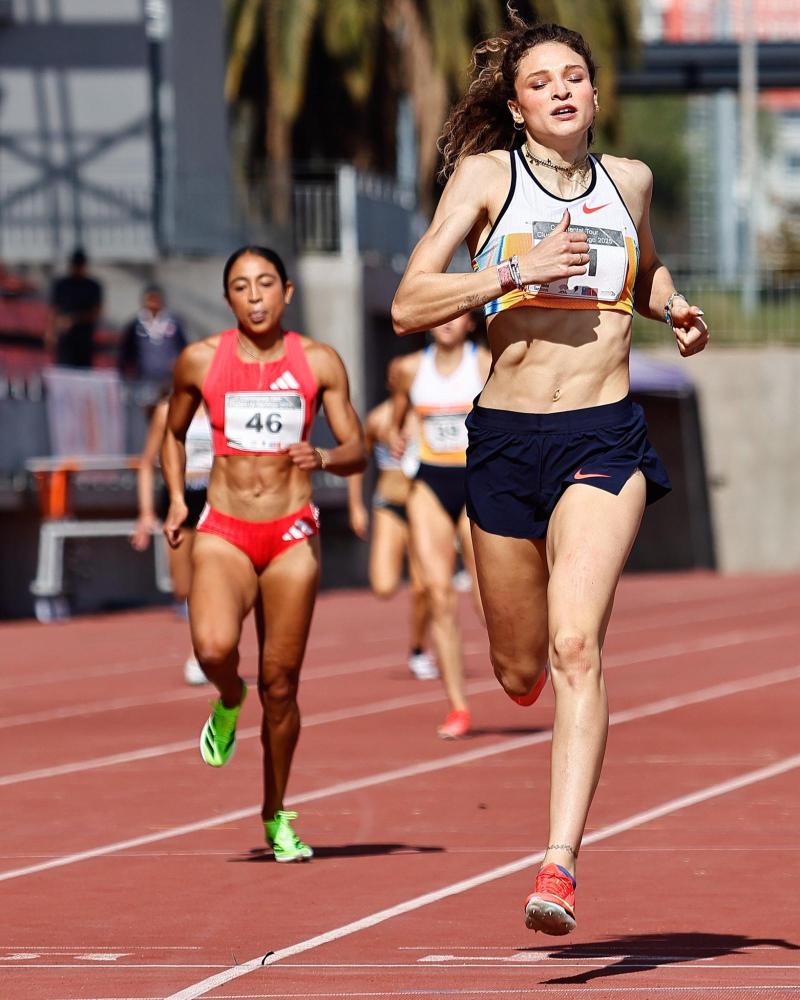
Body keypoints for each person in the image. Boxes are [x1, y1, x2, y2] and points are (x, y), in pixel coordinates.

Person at [390, 14, 708, 933]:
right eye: (542, 81)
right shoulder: (488, 179)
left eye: (576, 76)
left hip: (604, 439)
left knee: (578, 645)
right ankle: (519, 683)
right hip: (502, 442)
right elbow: (412, 300)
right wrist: (509, 275)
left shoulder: (630, 181)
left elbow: (640, 268)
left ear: (597, 96)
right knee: (520, 668)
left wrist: (673, 305)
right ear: (518, 106)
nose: (563, 90)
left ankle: (559, 865)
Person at [162, 245, 365, 862]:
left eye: (266, 284)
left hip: (291, 535)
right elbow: (172, 436)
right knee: (215, 649)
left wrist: (325, 457)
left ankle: (276, 813)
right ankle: (227, 698)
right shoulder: (199, 361)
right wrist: (175, 499)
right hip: (223, 528)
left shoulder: (318, 362)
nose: (255, 297)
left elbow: (358, 446)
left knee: (281, 684)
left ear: (287, 293)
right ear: (228, 299)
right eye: (242, 287)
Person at [389, 315, 491, 738]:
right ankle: (458, 706)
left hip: (476, 483)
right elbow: (397, 419)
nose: (447, 323)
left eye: (457, 315)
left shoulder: (485, 362)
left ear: (470, 322)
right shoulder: (408, 369)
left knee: (489, 602)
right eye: (440, 316)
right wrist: (396, 436)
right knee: (437, 593)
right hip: (429, 481)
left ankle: (523, 652)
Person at [347, 398, 437, 680]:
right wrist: (355, 506)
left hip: (422, 504)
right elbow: (356, 458)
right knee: (384, 585)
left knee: (424, 587)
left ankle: (419, 649)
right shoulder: (377, 417)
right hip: (388, 504)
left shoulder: (427, 415)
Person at [131, 389, 212, 685]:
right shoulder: (168, 410)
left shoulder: (223, 408)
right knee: (183, 587)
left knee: (209, 579)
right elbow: (146, 463)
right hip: (179, 498)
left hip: (215, 497)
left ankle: (201, 652)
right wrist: (145, 513)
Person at [118, 284, 188, 385]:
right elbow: (126, 350)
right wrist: (126, 370)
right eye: (150, 299)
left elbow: (182, 346)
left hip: (168, 377)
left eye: (156, 299)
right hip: (143, 376)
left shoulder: (173, 322)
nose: (153, 303)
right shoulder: (136, 324)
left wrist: (178, 363)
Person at [46, 248, 103, 368]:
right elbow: (53, 309)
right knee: (64, 370)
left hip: (84, 339)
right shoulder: (62, 285)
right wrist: (51, 331)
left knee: (83, 374)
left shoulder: (92, 286)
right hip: (65, 339)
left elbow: (96, 312)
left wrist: (74, 320)